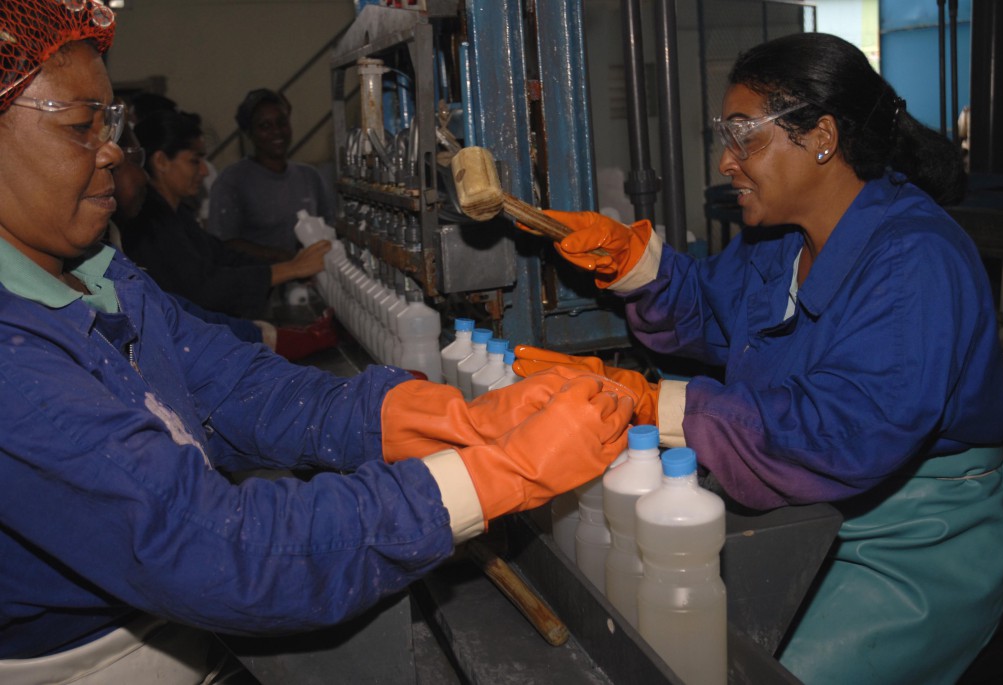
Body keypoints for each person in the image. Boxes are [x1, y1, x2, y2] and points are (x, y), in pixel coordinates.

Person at [0, 2, 635, 682]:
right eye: (78, 127)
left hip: (181, 635)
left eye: (111, 123)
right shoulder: (14, 363)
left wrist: (429, 417)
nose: (111, 154)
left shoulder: (99, 274)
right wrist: (480, 479)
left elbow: (235, 386)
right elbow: (223, 548)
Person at [514, 32, 1003, 684]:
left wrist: (658, 405)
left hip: (917, 538)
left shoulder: (913, 260)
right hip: (810, 513)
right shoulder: (778, 243)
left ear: (822, 137)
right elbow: (707, 304)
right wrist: (633, 264)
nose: (726, 163)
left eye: (743, 136)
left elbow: (843, 433)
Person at [110, 117, 338, 361]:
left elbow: (222, 256)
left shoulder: (177, 215)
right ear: (162, 161)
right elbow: (202, 289)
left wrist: (291, 265)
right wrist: (289, 270)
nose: (205, 171)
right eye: (194, 161)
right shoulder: (148, 224)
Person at [207, 88, 335, 261]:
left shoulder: (309, 176)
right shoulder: (232, 181)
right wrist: (288, 261)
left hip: (311, 281)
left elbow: (328, 227)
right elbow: (224, 244)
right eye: (264, 126)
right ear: (249, 133)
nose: (277, 131)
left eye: (282, 122)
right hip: (259, 283)